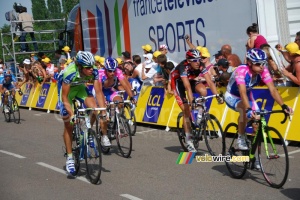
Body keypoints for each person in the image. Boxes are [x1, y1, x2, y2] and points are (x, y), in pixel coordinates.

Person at [224, 48, 293, 152]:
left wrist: (283, 106)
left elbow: (273, 90)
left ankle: (253, 156)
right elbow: (242, 92)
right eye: (258, 64)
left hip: (247, 95)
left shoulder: (263, 71)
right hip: (232, 95)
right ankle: (241, 137)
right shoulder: (241, 71)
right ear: (249, 63)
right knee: (244, 109)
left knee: (257, 125)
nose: (261, 66)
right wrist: (248, 109)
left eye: (263, 63)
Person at [59, 51, 107, 176]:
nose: (91, 69)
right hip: (67, 93)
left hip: (80, 88)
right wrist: (72, 114)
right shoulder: (70, 73)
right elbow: (64, 97)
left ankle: (87, 131)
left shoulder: (94, 70)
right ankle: (70, 157)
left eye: (92, 66)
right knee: (68, 124)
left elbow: (99, 92)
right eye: (88, 67)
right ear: (80, 66)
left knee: (94, 110)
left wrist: (103, 112)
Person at [170, 49, 224, 152]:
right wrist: (191, 101)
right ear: (188, 61)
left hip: (190, 80)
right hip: (178, 84)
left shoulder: (201, 65)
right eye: (194, 60)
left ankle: (199, 115)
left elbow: (209, 81)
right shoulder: (183, 67)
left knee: (203, 91)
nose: (197, 62)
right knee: (186, 110)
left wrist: (217, 95)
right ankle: (189, 140)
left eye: (199, 59)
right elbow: (187, 87)